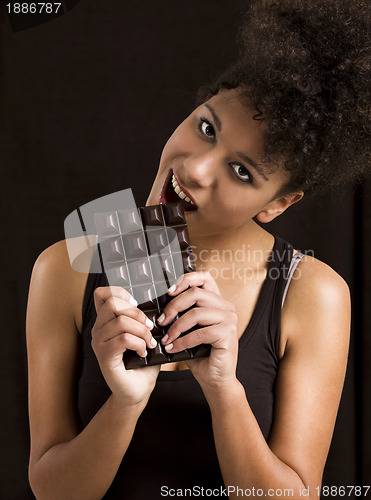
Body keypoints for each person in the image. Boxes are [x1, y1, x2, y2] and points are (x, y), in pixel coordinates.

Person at [26, 1, 370, 499]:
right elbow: (52, 491)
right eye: (207, 128)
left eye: (242, 171)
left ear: (278, 204)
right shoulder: (65, 267)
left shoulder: (313, 293)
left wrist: (224, 390)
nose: (196, 170)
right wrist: (124, 404)